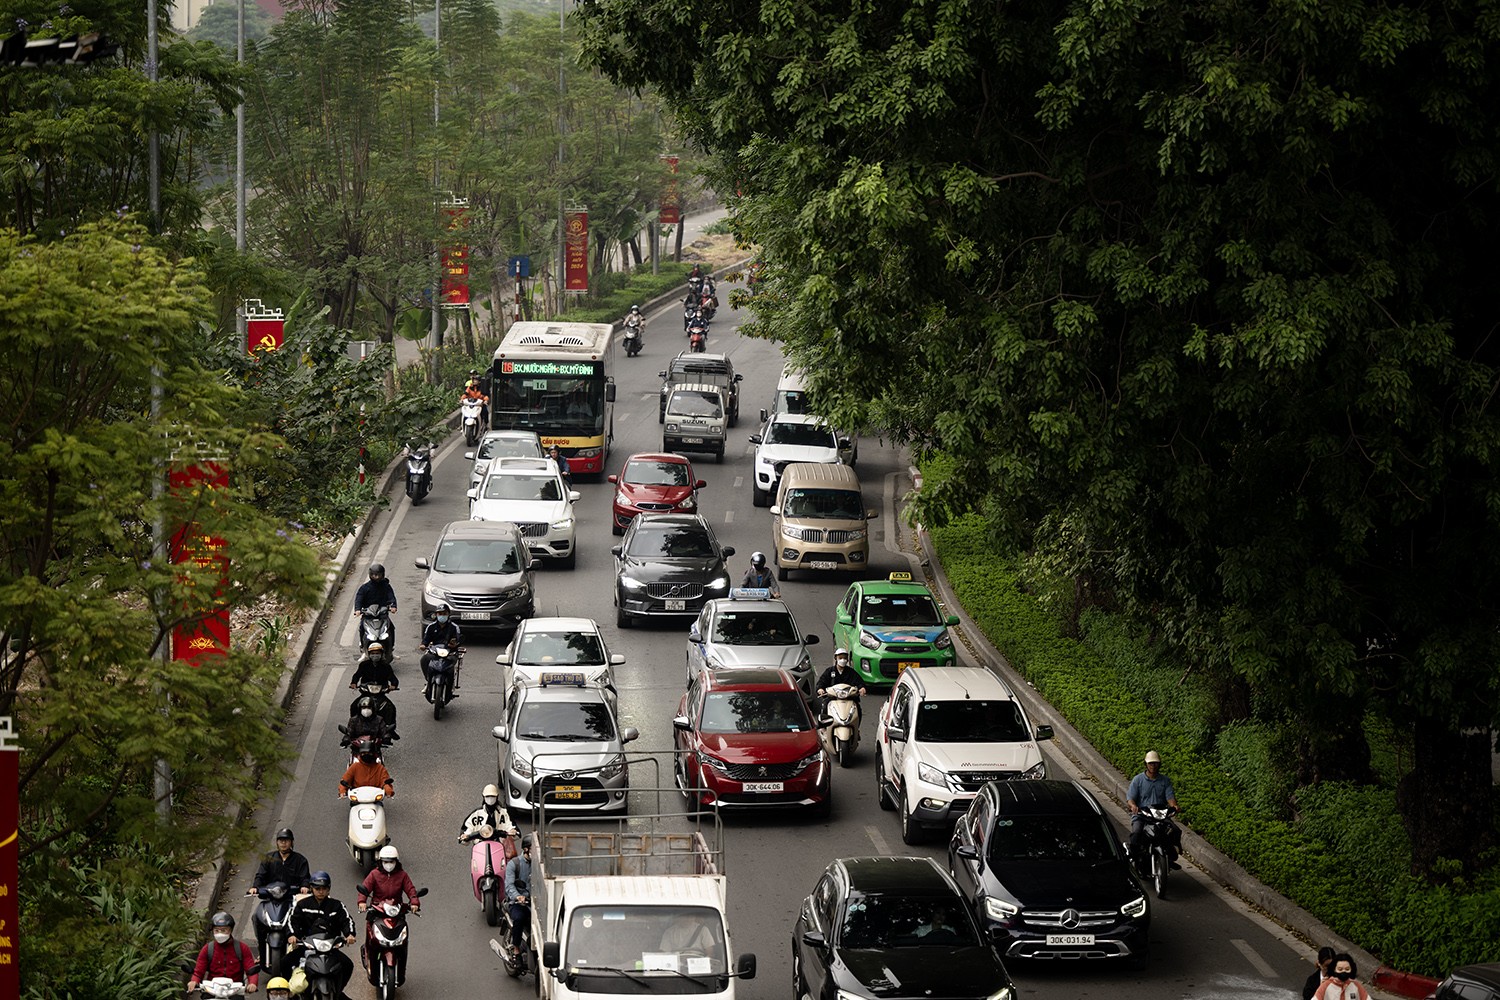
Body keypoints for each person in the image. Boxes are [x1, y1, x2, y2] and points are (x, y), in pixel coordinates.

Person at [359, 845, 421, 986]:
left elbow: (410, 889)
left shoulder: (402, 875)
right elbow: (365, 888)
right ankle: (369, 954)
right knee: (371, 936)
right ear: (380, 862)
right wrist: (362, 901)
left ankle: (401, 970)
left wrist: (414, 902)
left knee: (403, 942)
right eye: (386, 861)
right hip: (377, 911)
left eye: (391, 861)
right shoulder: (374, 874)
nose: (389, 865)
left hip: (397, 912)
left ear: (396, 862)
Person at [286, 871, 357, 996]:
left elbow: (347, 920)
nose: (321, 891)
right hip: (307, 946)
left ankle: (337, 991)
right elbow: (292, 921)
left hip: (330, 948)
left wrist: (349, 934)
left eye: (324, 888)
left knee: (348, 965)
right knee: (285, 962)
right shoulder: (302, 905)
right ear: (311, 888)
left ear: (329, 889)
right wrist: (292, 935)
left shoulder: (336, 906)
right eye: (317, 888)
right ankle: (288, 992)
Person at [1126, 750, 1182, 869]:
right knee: (1136, 832)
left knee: (1175, 831)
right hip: (1142, 814)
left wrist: (1174, 806)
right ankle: (1134, 857)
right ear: (1146, 764)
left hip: (1159, 815)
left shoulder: (1165, 781)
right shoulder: (1138, 780)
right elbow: (1130, 798)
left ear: (1159, 764)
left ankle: (1171, 856)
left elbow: (1170, 797)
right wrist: (1133, 806)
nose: (1153, 766)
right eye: (1150, 763)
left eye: (1155, 763)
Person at [187, 911, 260, 993]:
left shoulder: (242, 948)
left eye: (223, 930)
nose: (219, 933)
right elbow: (198, 971)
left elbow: (251, 970)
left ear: (230, 930)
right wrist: (194, 981)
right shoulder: (207, 949)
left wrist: (252, 983)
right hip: (212, 990)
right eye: (216, 930)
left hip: (235, 990)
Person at [419, 604, 463, 701]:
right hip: (435, 652)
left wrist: (454, 645)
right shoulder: (431, 627)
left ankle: (450, 686)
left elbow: (458, 640)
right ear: (436, 615)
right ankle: (428, 680)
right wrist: (423, 645)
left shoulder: (454, 627)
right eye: (440, 614)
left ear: (448, 615)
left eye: (444, 613)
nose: (442, 616)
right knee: (424, 659)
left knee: (451, 666)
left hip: (450, 653)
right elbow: (425, 640)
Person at [250, 828, 311, 896]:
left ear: (291, 842)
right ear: (277, 842)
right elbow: (261, 875)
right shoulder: (268, 858)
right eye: (281, 840)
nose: (283, 843)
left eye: (286, 840)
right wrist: (255, 887)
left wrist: (304, 886)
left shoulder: (300, 860)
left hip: (292, 896)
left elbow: (305, 878)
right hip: (271, 896)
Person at [353, 563, 398, 648]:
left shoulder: (386, 586)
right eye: (374, 575)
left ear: (382, 574)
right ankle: (363, 646)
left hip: (382, 615)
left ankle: (391, 647)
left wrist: (393, 606)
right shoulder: (364, 588)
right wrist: (358, 609)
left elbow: (391, 597)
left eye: (378, 575)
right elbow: (359, 599)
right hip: (368, 615)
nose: (376, 577)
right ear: (370, 575)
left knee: (391, 627)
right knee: (362, 627)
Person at [503, 833, 534, 957]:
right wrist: (518, 896)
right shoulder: (514, 864)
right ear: (526, 849)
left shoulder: (541, 865)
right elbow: (509, 885)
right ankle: (516, 948)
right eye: (534, 850)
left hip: (536, 903)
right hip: (520, 903)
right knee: (519, 918)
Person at [815, 648, 866, 719]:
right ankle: (824, 727)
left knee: (857, 709)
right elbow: (822, 682)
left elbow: (859, 681)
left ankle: (856, 728)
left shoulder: (851, 672)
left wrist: (862, 688)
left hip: (848, 698)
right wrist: (820, 689)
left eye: (845, 658)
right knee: (825, 706)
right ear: (836, 658)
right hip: (833, 698)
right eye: (840, 658)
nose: (843, 660)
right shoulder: (829, 671)